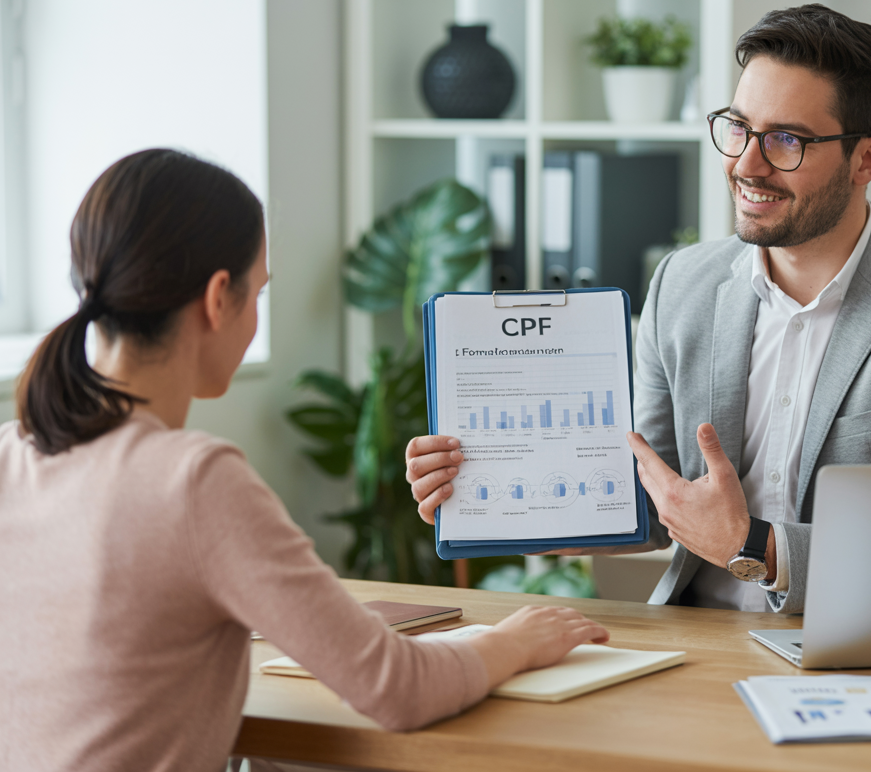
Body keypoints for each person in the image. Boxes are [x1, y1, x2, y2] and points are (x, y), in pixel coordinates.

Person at [0, 149, 608, 772]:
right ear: (217, 298)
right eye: (258, 290)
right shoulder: (192, 481)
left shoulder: (9, 452)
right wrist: (513, 640)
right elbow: (397, 689)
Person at [406, 4, 871, 615]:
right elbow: (648, 506)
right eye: (738, 127)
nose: (746, 165)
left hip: (866, 652)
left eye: (787, 140)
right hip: (696, 646)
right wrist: (484, 502)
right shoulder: (682, 282)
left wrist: (749, 545)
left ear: (868, 159)